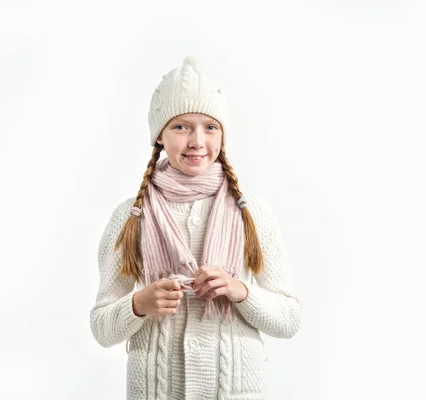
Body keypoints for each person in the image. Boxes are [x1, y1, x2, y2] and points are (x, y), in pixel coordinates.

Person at [89, 56, 303, 400]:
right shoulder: (130, 215)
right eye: (181, 126)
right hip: (156, 390)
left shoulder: (251, 211)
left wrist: (240, 291)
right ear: (159, 135)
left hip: (235, 390)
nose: (197, 141)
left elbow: (289, 319)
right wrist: (139, 303)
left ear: (222, 134)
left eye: (210, 127)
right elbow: (101, 328)